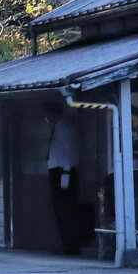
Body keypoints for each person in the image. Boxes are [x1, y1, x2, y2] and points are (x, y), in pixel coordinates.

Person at [46, 102, 81, 254]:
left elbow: (70, 151)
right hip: (57, 170)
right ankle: (65, 243)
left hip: (63, 171)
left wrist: (66, 173)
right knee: (59, 209)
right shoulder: (57, 128)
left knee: (65, 208)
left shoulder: (65, 128)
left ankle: (70, 245)